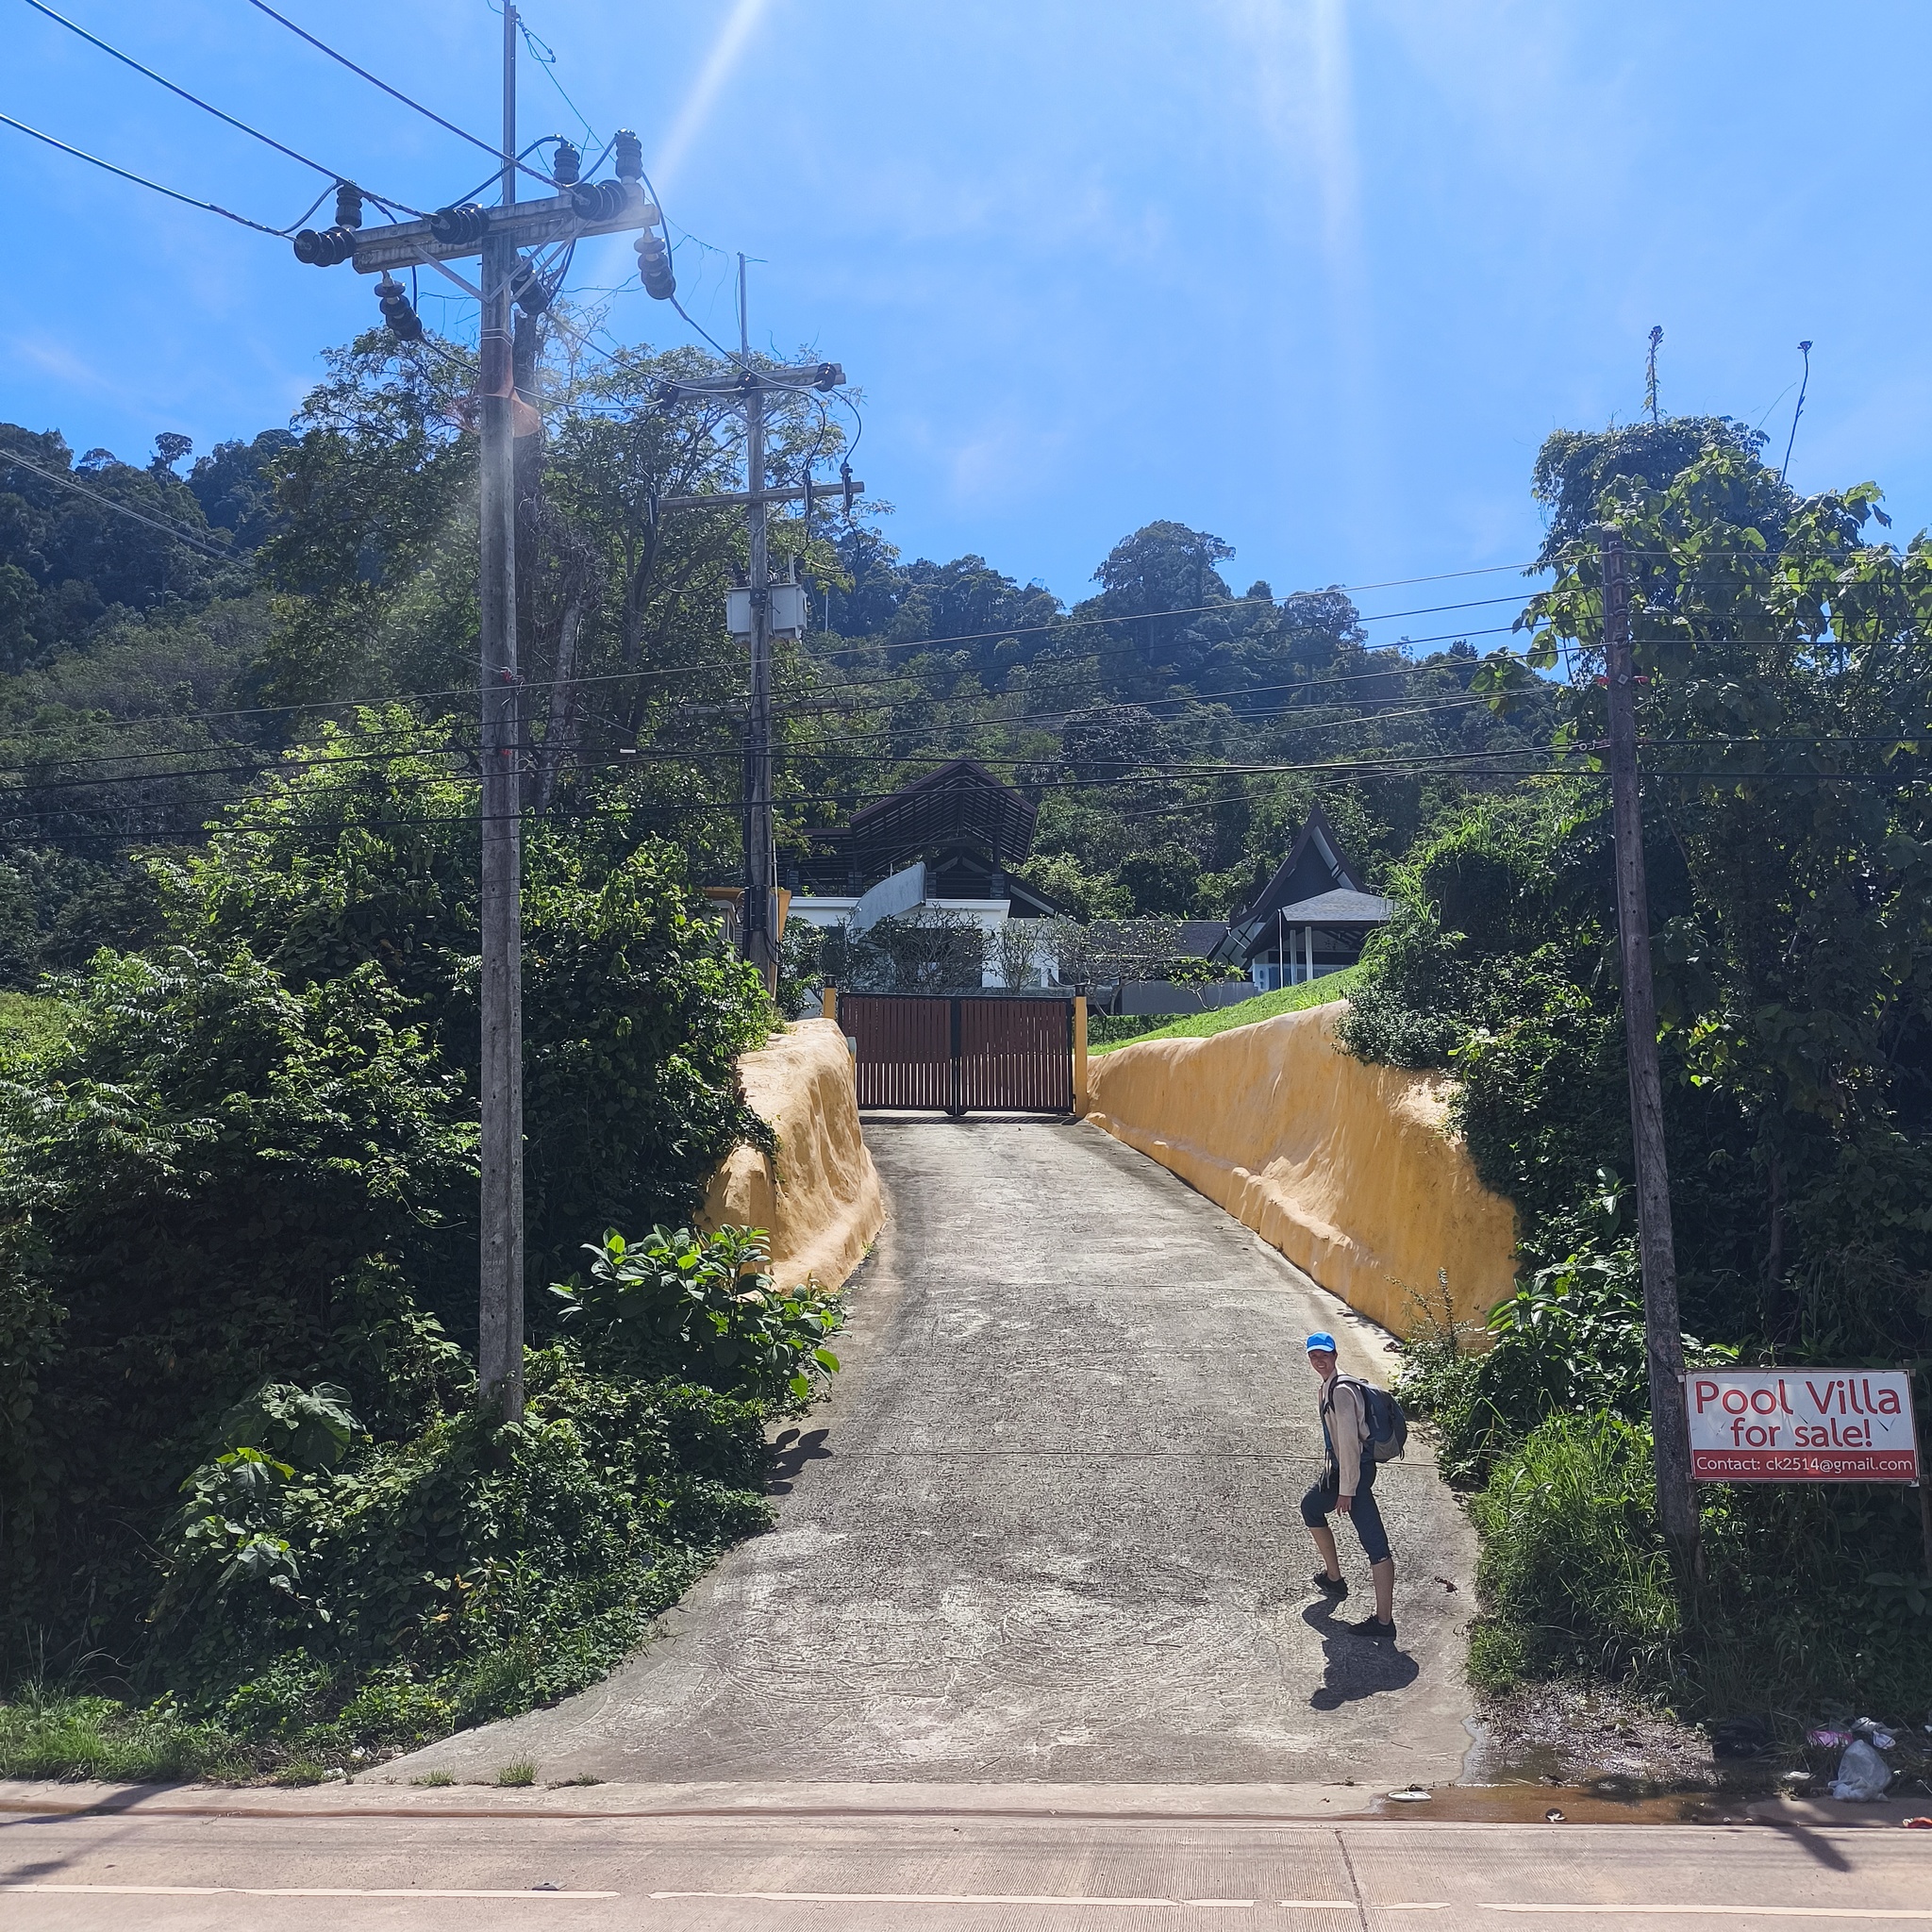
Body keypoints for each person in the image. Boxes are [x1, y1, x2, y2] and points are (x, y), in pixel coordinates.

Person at [1300, 1331, 1396, 1641]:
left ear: (1335, 1355)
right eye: (1314, 1355)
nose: (1319, 1360)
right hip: (1348, 1471)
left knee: (1375, 1545)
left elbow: (1349, 1444)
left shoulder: (1341, 1391)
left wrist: (1347, 1489)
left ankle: (1383, 1623)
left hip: (1353, 1473)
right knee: (1312, 1506)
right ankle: (1334, 1578)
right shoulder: (1333, 1386)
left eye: (1324, 1354)